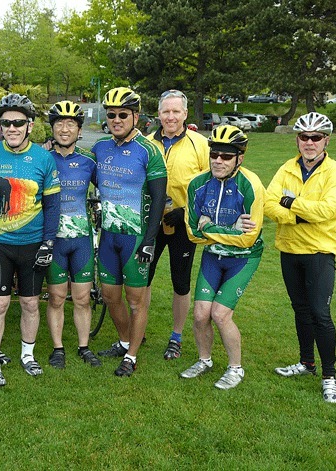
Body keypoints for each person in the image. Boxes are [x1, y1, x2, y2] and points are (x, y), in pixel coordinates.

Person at [0, 93, 60, 387]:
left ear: (30, 125)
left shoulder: (44, 158)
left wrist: (48, 242)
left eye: (18, 122)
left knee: (31, 304)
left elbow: (52, 205)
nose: (11, 128)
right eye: (5, 122)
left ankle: (27, 355)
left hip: (33, 242)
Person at [265, 112, 336, 403]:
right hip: (289, 249)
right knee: (300, 310)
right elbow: (267, 203)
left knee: (320, 314)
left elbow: (327, 210)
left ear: (326, 139)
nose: (309, 142)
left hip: (319, 252)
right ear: (297, 140)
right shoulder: (287, 168)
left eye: (316, 137)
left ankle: (330, 376)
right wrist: (299, 216)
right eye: (304, 137)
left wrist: (289, 204)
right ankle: (306, 363)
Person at [180, 125, 264, 390]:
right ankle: (205, 361)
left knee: (220, 314)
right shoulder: (197, 184)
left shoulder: (251, 185)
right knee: (200, 314)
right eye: (214, 154)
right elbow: (192, 233)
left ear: (240, 158)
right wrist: (227, 230)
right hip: (213, 256)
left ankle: (235, 369)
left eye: (226, 156)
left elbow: (248, 238)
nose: (218, 160)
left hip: (244, 257)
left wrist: (209, 227)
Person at [91, 87, 167, 376]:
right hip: (109, 234)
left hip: (137, 238)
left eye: (123, 114)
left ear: (135, 116)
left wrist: (150, 241)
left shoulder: (149, 151)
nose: (117, 119)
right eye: (111, 115)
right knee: (110, 295)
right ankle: (124, 341)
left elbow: (159, 199)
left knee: (136, 301)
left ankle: (132, 356)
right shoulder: (100, 148)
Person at [146, 89, 210, 361]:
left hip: (183, 223)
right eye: (165, 111)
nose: (170, 117)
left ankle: (176, 337)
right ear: (158, 114)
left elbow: (211, 185)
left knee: (180, 282)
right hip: (150, 221)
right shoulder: (147, 142)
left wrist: (185, 211)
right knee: (141, 279)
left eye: (176, 112)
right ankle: (137, 329)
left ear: (185, 114)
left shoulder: (200, 144)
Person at [44, 101, 102, 370]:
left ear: (79, 130)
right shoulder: (43, 158)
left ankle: (83, 346)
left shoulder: (89, 160)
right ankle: (58, 348)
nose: (64, 129)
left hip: (81, 240)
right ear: (52, 128)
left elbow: (111, 189)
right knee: (56, 297)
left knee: (81, 298)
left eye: (70, 124)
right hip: (53, 240)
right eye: (59, 124)